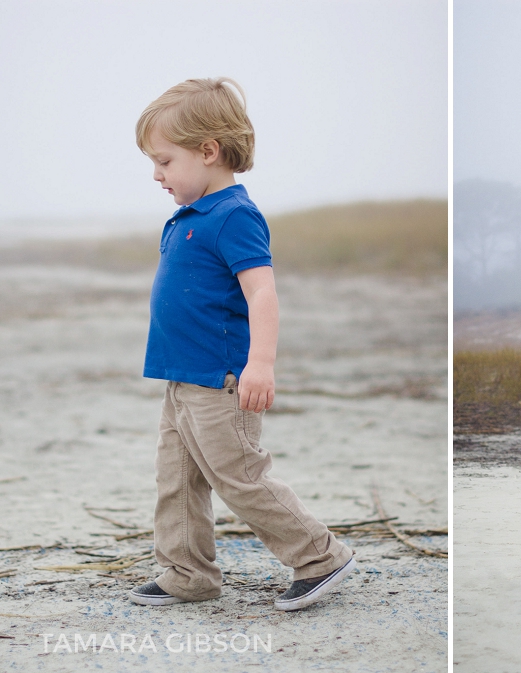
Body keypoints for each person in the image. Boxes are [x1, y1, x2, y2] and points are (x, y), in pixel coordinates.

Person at [127, 77, 355, 611]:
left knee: (240, 476)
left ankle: (320, 556)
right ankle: (187, 574)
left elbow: (262, 293)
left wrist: (261, 364)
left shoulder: (234, 215)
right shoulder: (187, 215)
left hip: (221, 379)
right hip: (181, 377)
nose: (156, 174)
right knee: (176, 480)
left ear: (208, 151)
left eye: (164, 161)